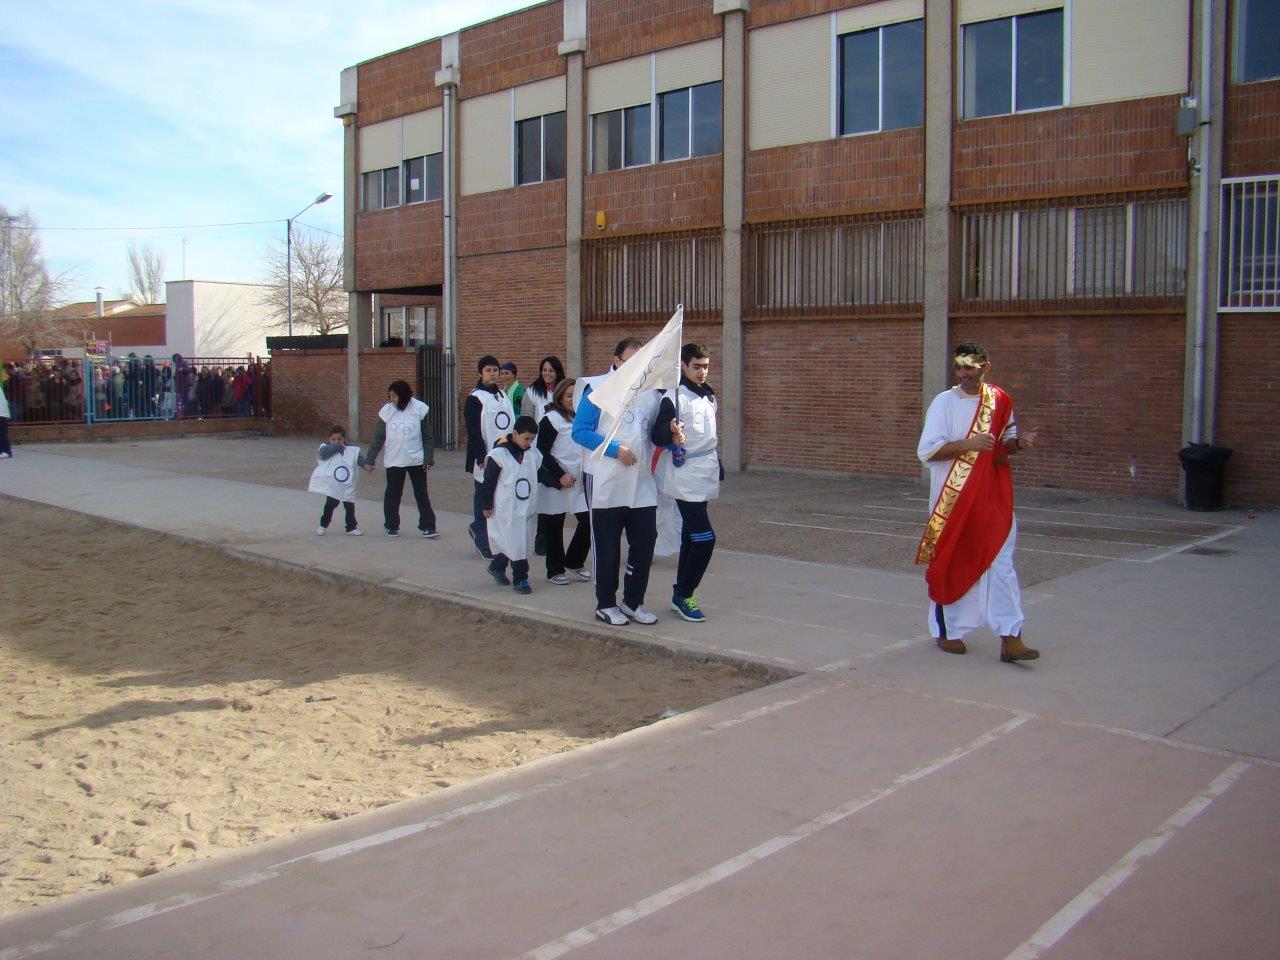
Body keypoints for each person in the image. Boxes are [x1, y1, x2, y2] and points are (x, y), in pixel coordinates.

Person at [916, 342, 1040, 663]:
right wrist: (968, 443)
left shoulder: (1000, 400)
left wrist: (1018, 445)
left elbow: (1001, 446)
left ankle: (1011, 636)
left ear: (986, 367)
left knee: (1001, 564)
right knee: (952, 560)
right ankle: (948, 631)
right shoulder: (943, 403)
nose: (963, 374)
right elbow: (929, 451)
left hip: (991, 495)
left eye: (970, 368)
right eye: (959, 367)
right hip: (952, 499)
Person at [572, 336, 661, 626]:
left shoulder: (650, 394)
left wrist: (673, 434)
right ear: (616, 360)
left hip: (641, 483)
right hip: (606, 481)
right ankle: (605, 603)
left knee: (645, 543)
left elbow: (656, 435)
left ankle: (633, 601)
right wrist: (615, 450)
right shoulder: (597, 390)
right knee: (608, 546)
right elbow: (580, 431)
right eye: (630, 361)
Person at [651, 343, 721, 623]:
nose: (702, 371)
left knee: (691, 536)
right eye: (696, 366)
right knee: (706, 538)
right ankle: (685, 594)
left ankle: (680, 593)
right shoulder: (673, 397)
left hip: (706, 470)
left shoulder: (709, 395)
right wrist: (670, 434)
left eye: (705, 366)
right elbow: (656, 435)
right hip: (685, 474)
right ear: (683, 365)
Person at [364, 379, 438, 539]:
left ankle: (428, 526)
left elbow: (428, 437)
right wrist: (370, 460)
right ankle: (391, 525)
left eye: (394, 396)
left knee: (421, 493)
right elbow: (378, 438)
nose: (391, 399)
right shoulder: (387, 411)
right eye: (389, 396)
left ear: (403, 396)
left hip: (416, 459)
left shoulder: (419, 409)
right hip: (394, 459)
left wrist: (428, 458)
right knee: (393, 493)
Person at [536, 378, 592, 585]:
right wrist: (560, 475)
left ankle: (575, 560)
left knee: (588, 521)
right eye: (569, 396)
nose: (572, 400)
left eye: (575, 396)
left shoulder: (581, 418)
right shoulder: (551, 419)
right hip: (556, 479)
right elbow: (541, 450)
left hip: (578, 479)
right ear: (559, 396)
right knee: (554, 524)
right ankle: (554, 569)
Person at [480, 415, 542, 595]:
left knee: (517, 542)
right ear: (515, 433)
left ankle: (497, 566)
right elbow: (489, 482)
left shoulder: (532, 454)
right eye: (526, 438)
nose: (529, 442)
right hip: (506, 509)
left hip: (525, 507)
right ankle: (521, 579)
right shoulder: (499, 455)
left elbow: (539, 472)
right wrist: (486, 505)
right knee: (515, 543)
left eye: (532, 439)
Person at [464, 355, 515, 559]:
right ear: (480, 373)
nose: (493, 374)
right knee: (483, 498)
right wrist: (481, 457)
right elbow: (474, 431)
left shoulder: (502, 395)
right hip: (485, 457)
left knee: (498, 498)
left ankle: (487, 533)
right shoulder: (475, 398)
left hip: (504, 454)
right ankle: (482, 540)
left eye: (496, 370)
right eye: (488, 370)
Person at [309, 425, 366, 536]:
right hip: (333, 484)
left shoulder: (352, 449)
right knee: (330, 504)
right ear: (329, 439)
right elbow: (323, 454)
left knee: (349, 505)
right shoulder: (325, 447)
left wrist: (366, 465)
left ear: (344, 439)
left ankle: (351, 527)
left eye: (339, 439)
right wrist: (337, 446)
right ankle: (323, 524)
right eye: (333, 439)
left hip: (347, 483)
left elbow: (359, 459)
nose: (336, 442)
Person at [522, 355, 565, 421]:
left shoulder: (565, 390)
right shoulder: (531, 392)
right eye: (544, 370)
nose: (547, 373)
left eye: (551, 371)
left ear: (558, 373)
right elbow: (526, 420)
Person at [0, 363, 12, 458]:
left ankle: (6, 451)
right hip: (2, 413)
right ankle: (5, 450)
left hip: (1, 413)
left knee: (2, 433)